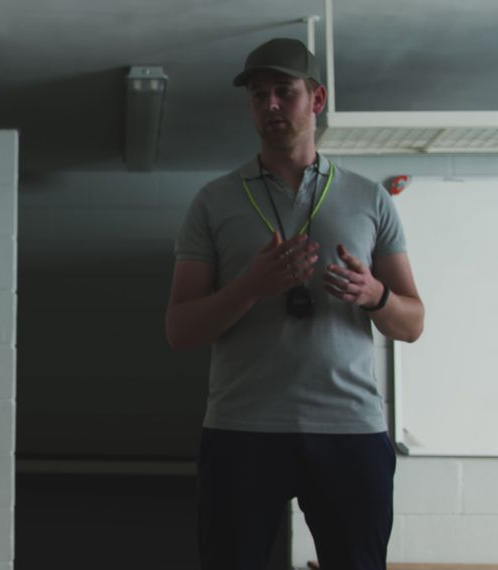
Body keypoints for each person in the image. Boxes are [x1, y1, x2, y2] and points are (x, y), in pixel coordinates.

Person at [165, 38, 424, 569]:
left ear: (318, 99)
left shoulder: (368, 198)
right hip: (242, 427)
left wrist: (374, 295)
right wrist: (248, 288)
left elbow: (413, 321)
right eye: (260, 96)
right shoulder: (214, 201)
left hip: (350, 428)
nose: (271, 106)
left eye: (285, 92)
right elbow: (180, 329)